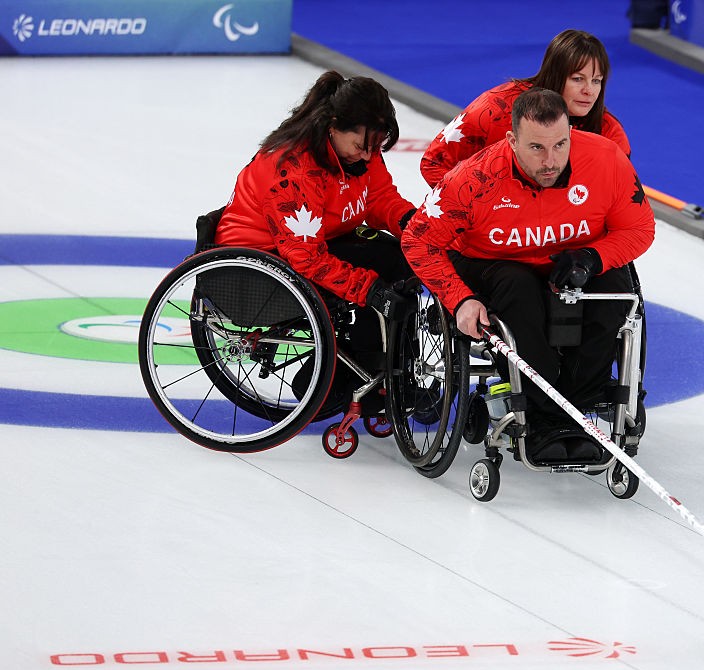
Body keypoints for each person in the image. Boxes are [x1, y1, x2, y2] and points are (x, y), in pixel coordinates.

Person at [402, 88, 655, 464]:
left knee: (614, 287)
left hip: (568, 261)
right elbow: (417, 240)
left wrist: (592, 257)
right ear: (512, 140)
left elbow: (639, 229)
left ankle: (573, 410)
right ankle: (543, 418)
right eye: (537, 148)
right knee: (516, 286)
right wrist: (460, 298)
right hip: (493, 263)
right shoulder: (474, 180)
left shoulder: (606, 159)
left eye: (560, 145)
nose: (551, 161)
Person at [213, 71, 418, 410]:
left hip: (318, 241)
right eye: (360, 147)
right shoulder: (294, 170)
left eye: (374, 148)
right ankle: (358, 375)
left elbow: (379, 197)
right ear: (333, 126)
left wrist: (412, 224)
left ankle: (389, 374)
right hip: (264, 263)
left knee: (399, 255)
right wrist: (370, 291)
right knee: (379, 278)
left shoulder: (360, 146)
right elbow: (306, 258)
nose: (367, 157)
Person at [419, 29, 630, 188]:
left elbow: (620, 200)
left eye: (596, 81)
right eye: (577, 79)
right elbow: (434, 163)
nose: (589, 91)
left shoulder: (609, 132)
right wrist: (477, 214)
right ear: (555, 76)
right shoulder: (495, 110)